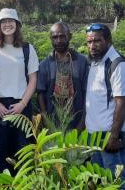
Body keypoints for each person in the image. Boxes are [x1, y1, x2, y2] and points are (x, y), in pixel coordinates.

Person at [0, 8, 39, 173]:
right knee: (0, 148)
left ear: (17, 25)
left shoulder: (27, 48)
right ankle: (1, 183)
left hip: (21, 105)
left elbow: (32, 79)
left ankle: (23, 182)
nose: (7, 24)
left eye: (11, 21)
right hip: (0, 106)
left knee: (23, 148)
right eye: (3, 22)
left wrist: (22, 104)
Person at [85, 23, 125, 185]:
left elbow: (121, 102)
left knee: (115, 183)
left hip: (109, 136)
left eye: (97, 41)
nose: (92, 46)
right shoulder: (95, 62)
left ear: (108, 40)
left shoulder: (117, 64)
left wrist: (114, 136)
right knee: (99, 183)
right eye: (89, 42)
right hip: (93, 136)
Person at [37, 22, 89, 129]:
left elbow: (87, 93)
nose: (59, 40)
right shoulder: (44, 65)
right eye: (55, 37)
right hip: (53, 123)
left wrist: (83, 122)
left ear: (69, 36)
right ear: (50, 39)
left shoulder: (82, 62)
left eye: (62, 36)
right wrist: (47, 121)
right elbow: (41, 94)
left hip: (78, 121)